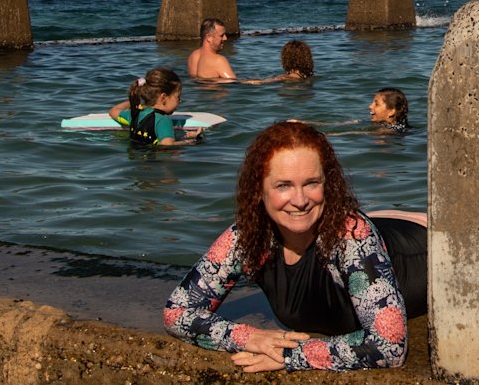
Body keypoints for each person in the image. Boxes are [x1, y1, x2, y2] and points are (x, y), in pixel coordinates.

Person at [164, 121, 427, 372]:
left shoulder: (351, 238)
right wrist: (249, 337)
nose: (299, 200)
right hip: (380, 227)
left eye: (311, 183)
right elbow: (177, 312)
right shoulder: (246, 237)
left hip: (420, 247)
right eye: (283, 185)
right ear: (258, 189)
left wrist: (292, 355)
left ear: (328, 183)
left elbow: (390, 347)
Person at [109, 68, 204, 146]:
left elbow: (113, 111)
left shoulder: (136, 113)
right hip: (155, 162)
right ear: (164, 98)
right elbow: (167, 145)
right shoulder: (163, 119)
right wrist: (193, 140)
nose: (180, 101)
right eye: (178, 97)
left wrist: (133, 101)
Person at [241, 40, 314, 85]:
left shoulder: (284, 77)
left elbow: (261, 82)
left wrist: (239, 82)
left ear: (286, 59)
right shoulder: (308, 75)